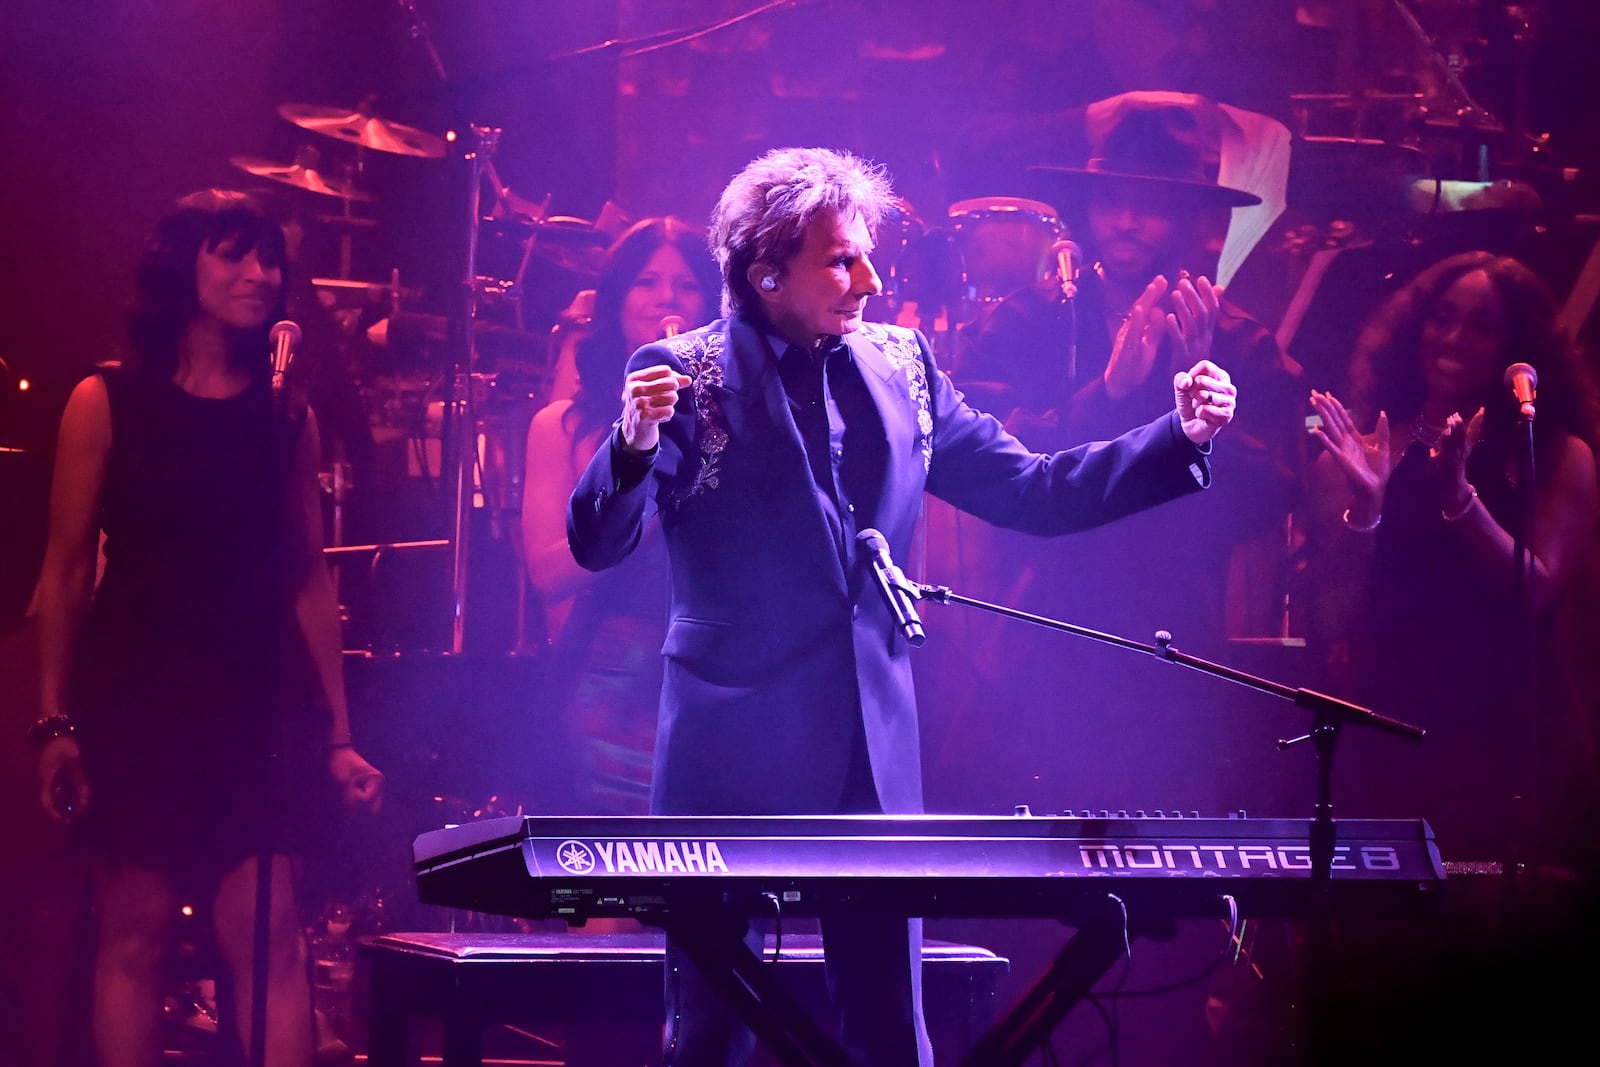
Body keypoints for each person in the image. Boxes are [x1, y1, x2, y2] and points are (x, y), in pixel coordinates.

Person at [565, 146, 1237, 1067]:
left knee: (892, 1032)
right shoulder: (685, 372)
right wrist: (633, 444)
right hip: (732, 749)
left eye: (867, 255)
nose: (871, 281)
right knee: (712, 1033)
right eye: (842, 261)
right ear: (766, 274)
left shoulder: (904, 365)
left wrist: (1177, 437)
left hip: (872, 760)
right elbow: (597, 543)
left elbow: (1033, 490)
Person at [31, 189, 384, 1067]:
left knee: (269, 934)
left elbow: (309, 574)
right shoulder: (103, 400)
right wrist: (53, 722)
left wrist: (338, 734)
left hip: (250, 698)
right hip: (138, 695)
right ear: (179, 265)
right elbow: (67, 571)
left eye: (271, 260)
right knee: (136, 938)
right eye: (235, 254)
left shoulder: (282, 414)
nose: (261, 275)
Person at [927, 95, 1304, 818]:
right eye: (1112, 200)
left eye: (1150, 204)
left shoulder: (1240, 342)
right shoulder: (1031, 319)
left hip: (1177, 635)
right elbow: (988, 460)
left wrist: (1197, 416)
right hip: (1047, 625)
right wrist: (1106, 395)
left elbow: (1274, 494)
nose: (1126, 220)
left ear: (1188, 217)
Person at [1304, 250, 1600, 872]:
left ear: (1516, 345)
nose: (1454, 337)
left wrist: (1460, 499)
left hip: (1510, 733)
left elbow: (1532, 591)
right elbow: (1332, 616)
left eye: (1483, 325)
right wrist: (1366, 507)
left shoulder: (1555, 455)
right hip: (1391, 726)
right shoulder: (1358, 454)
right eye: (1442, 317)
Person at [520, 216, 719, 815]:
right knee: (621, 892)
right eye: (647, 282)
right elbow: (550, 573)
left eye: (684, 285)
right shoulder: (561, 426)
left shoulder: (737, 419)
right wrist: (645, 500)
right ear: (617, 299)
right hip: (617, 676)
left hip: (718, 678)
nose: (667, 299)